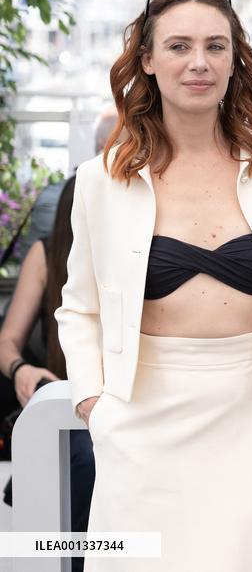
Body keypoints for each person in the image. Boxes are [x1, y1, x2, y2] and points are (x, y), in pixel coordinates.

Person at [56, 0, 252, 571]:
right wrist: (95, 404)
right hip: (138, 417)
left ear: (234, 61)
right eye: (178, 46)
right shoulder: (101, 179)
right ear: (148, 60)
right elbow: (79, 307)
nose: (199, 63)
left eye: (215, 46)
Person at [0, 178, 94, 572]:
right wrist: (21, 369)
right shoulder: (48, 254)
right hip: (65, 405)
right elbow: (7, 341)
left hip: (120, 405)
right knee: (84, 460)